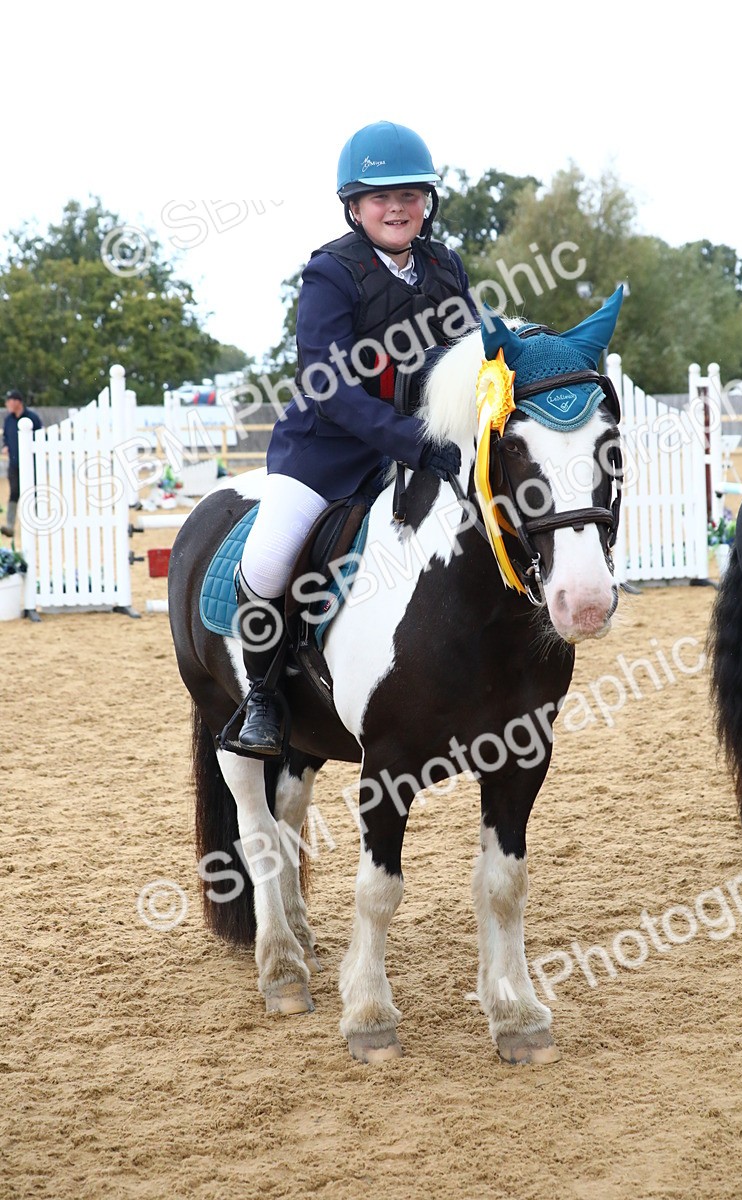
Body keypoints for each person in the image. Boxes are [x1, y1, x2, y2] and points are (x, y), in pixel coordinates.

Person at [235, 120, 479, 754]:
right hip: (327, 453)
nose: (397, 207)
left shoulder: (445, 266)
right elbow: (331, 387)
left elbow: (472, 352)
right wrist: (414, 441)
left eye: (409, 195)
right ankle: (262, 696)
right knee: (266, 564)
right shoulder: (330, 274)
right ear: (354, 206)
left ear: (426, 202)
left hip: (425, 444)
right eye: (380, 197)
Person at [2, 389, 42, 537]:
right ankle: (10, 526)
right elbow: (6, 437)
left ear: (17, 401)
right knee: (14, 493)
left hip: (32, 463)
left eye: (9, 401)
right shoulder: (8, 420)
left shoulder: (33, 418)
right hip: (14, 464)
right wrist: (5, 446)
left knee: (35, 492)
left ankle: (37, 523)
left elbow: (40, 438)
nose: (7, 404)